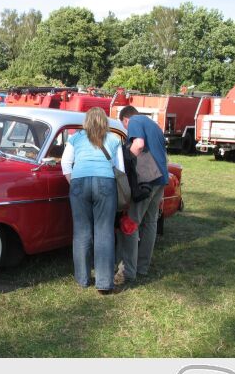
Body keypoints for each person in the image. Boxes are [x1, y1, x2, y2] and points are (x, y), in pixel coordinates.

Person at [61, 107, 124, 295]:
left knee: (81, 232)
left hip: (79, 181)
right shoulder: (113, 139)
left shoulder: (76, 138)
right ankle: (104, 282)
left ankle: (83, 279)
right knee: (104, 231)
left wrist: (74, 183)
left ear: (86, 121)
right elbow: (120, 168)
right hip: (105, 182)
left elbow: (65, 163)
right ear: (105, 121)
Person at [115, 106, 169, 285]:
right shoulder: (154, 125)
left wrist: (125, 160)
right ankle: (142, 266)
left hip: (147, 180)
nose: (126, 129)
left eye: (124, 126)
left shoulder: (136, 121)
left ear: (126, 119)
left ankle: (129, 270)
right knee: (151, 222)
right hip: (161, 179)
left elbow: (138, 145)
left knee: (131, 222)